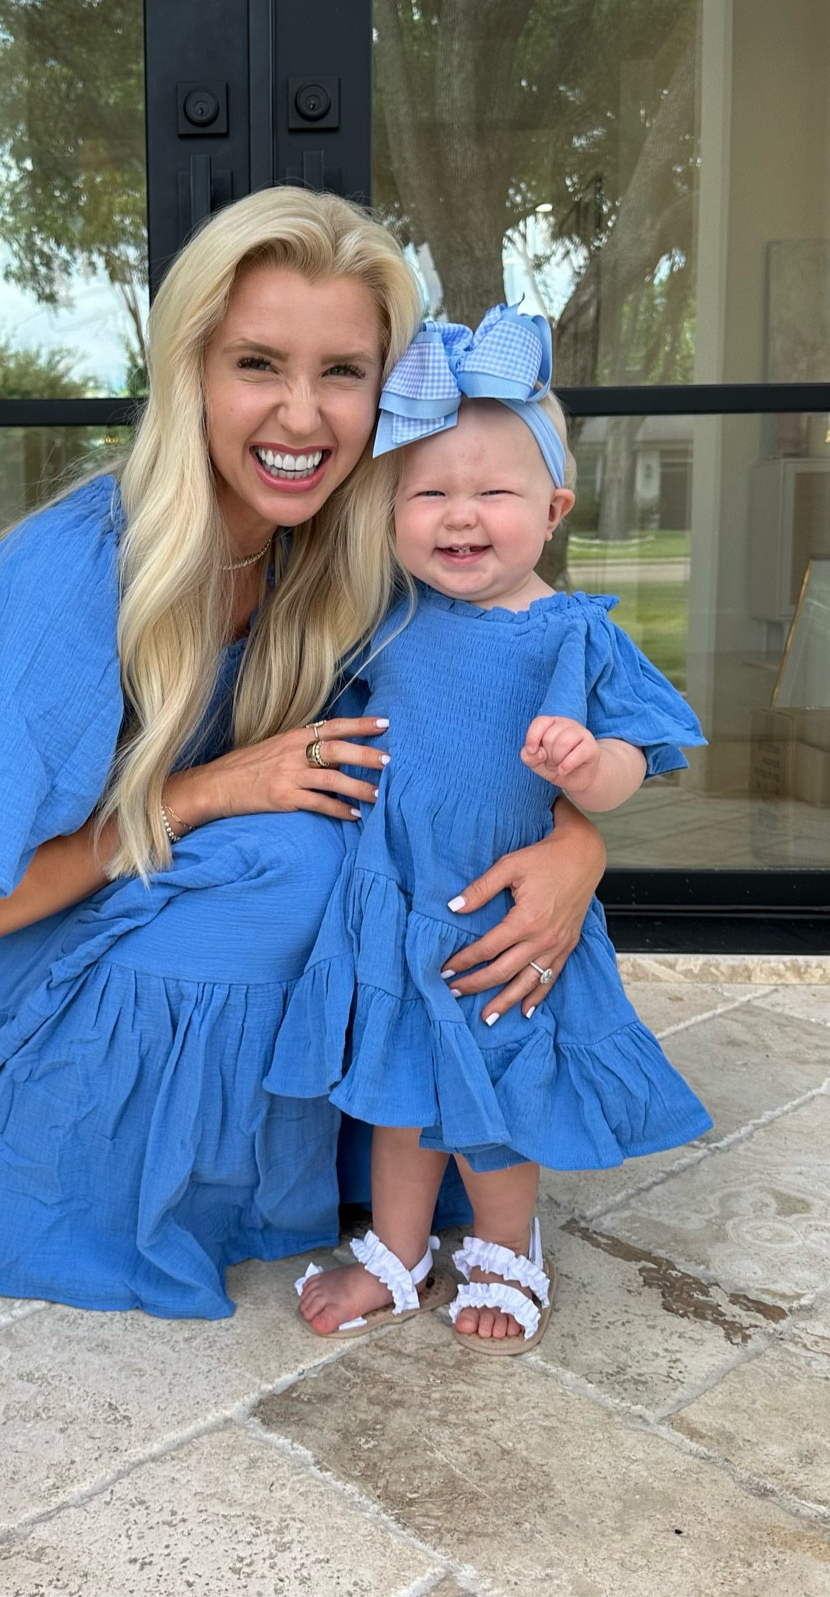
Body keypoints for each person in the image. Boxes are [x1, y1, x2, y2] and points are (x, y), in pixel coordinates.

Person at [0, 193, 608, 1321]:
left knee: (370, 838)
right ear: (190, 369)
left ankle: (360, 1139)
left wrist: (575, 848)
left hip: (166, 885)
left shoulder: (343, 549)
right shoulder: (73, 578)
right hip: (13, 940)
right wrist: (212, 790)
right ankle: (137, 1170)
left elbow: (512, 698)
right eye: (258, 363)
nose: (303, 413)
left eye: (343, 371)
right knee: (302, 859)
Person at [273, 305, 711, 1348]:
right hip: (395, 901)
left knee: (496, 1099)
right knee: (395, 1091)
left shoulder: (573, 637)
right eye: (428, 492)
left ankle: (508, 1252)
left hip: (499, 917)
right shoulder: (396, 617)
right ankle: (396, 1250)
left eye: (492, 493)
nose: (458, 516)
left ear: (554, 507)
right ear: (390, 513)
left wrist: (584, 767)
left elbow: (633, 768)